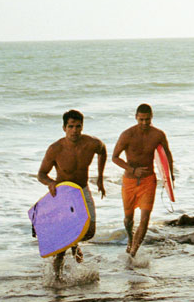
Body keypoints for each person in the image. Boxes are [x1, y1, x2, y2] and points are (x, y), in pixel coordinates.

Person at [37, 109, 107, 276]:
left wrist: (100, 177)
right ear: (64, 128)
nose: (74, 130)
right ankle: (56, 279)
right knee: (62, 245)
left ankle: (74, 243)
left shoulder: (91, 143)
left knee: (89, 232)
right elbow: (41, 174)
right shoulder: (55, 149)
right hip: (63, 194)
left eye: (78, 126)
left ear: (82, 127)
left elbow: (103, 150)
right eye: (70, 126)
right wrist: (51, 183)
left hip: (82, 190)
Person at [111, 103, 175, 258]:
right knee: (128, 219)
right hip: (130, 181)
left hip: (148, 180)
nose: (144, 123)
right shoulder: (127, 135)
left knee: (145, 218)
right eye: (141, 120)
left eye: (147, 119)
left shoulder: (158, 135)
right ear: (136, 117)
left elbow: (167, 156)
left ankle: (133, 252)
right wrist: (132, 170)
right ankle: (130, 237)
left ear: (151, 117)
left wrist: (170, 177)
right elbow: (114, 157)